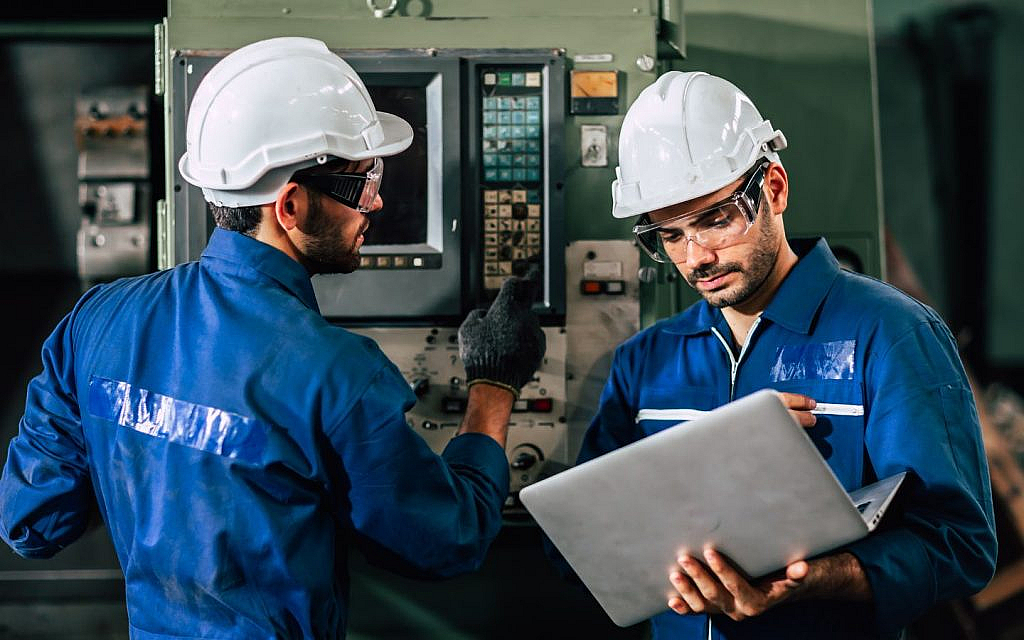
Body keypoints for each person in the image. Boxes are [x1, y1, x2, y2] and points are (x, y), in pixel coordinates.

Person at [0, 37, 545, 638]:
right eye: (364, 183)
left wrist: (159, 471)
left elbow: (34, 521)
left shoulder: (96, 320)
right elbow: (446, 542)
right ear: (290, 205)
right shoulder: (337, 374)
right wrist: (494, 385)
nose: (378, 202)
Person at [579, 70, 997, 638]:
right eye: (669, 236)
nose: (696, 256)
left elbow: (959, 546)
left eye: (715, 219)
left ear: (773, 188)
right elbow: (581, 544)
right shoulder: (645, 361)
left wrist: (826, 575)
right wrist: (696, 468)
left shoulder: (889, 334)